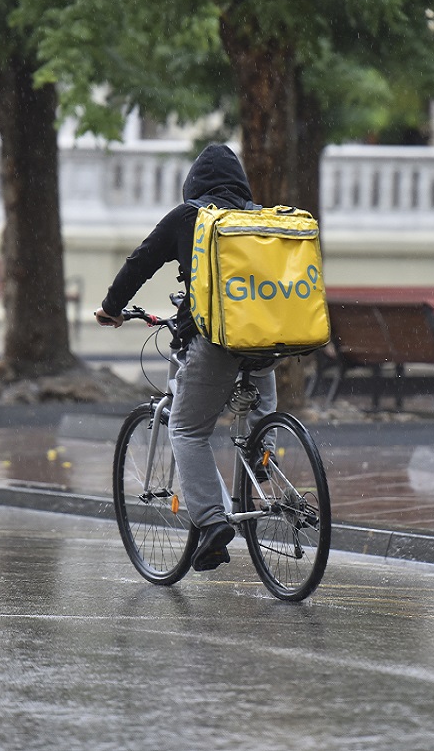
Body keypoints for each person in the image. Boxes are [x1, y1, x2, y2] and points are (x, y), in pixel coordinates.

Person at [95, 143, 276, 573]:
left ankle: (213, 525)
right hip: (267, 341)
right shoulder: (258, 219)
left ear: (193, 185)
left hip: (217, 342)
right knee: (259, 409)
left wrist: (112, 307)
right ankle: (263, 457)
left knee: (187, 429)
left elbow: (140, 262)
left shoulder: (189, 217)